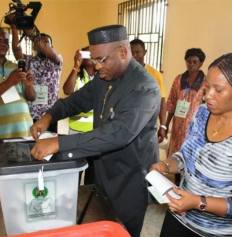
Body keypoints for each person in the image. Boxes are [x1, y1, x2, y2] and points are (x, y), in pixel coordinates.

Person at [30, 25, 161, 237]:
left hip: (128, 181)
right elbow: (77, 100)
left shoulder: (144, 88)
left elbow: (118, 133)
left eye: (101, 59)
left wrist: (59, 143)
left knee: (121, 231)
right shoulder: (103, 77)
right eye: (94, 59)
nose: (97, 66)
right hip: (100, 172)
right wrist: (49, 116)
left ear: (122, 52)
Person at [150, 52, 232, 237]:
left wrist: (197, 202)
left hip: (218, 232)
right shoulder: (202, 113)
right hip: (179, 218)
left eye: (218, 90)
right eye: (207, 87)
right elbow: (186, 155)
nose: (207, 95)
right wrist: (166, 165)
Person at [0, 27, 36, 192]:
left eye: (6, 41)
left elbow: (31, 97)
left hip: (24, 131)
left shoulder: (15, 66)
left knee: (23, 177)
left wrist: (28, 85)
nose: (4, 44)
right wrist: (9, 82)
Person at [9, 21, 63, 133]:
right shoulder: (29, 60)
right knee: (31, 146)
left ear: (51, 47)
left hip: (50, 115)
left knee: (49, 145)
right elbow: (16, 50)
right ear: (34, 45)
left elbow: (43, 47)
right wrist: (14, 28)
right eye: (41, 42)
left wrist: (33, 34)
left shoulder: (57, 60)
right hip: (31, 113)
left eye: (47, 43)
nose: (43, 45)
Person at [163, 48, 206, 184]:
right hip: (178, 128)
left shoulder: (205, 83)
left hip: (194, 129)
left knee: (191, 158)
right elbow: (171, 104)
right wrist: (165, 125)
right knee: (176, 156)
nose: (191, 64)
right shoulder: (179, 80)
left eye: (195, 62)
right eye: (188, 62)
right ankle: (176, 183)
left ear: (201, 63)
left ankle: (189, 185)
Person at [63, 46, 96, 185]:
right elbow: (67, 90)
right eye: (86, 53)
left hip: (96, 132)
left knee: (93, 172)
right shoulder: (78, 76)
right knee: (75, 170)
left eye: (92, 52)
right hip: (77, 131)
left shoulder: (103, 75)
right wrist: (75, 67)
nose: (89, 55)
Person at [130, 39, 166, 142]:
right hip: (128, 122)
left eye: (138, 52)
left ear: (145, 52)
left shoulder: (155, 74)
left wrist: (163, 126)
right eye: (132, 53)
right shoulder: (124, 74)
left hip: (147, 124)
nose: (135, 56)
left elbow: (162, 101)